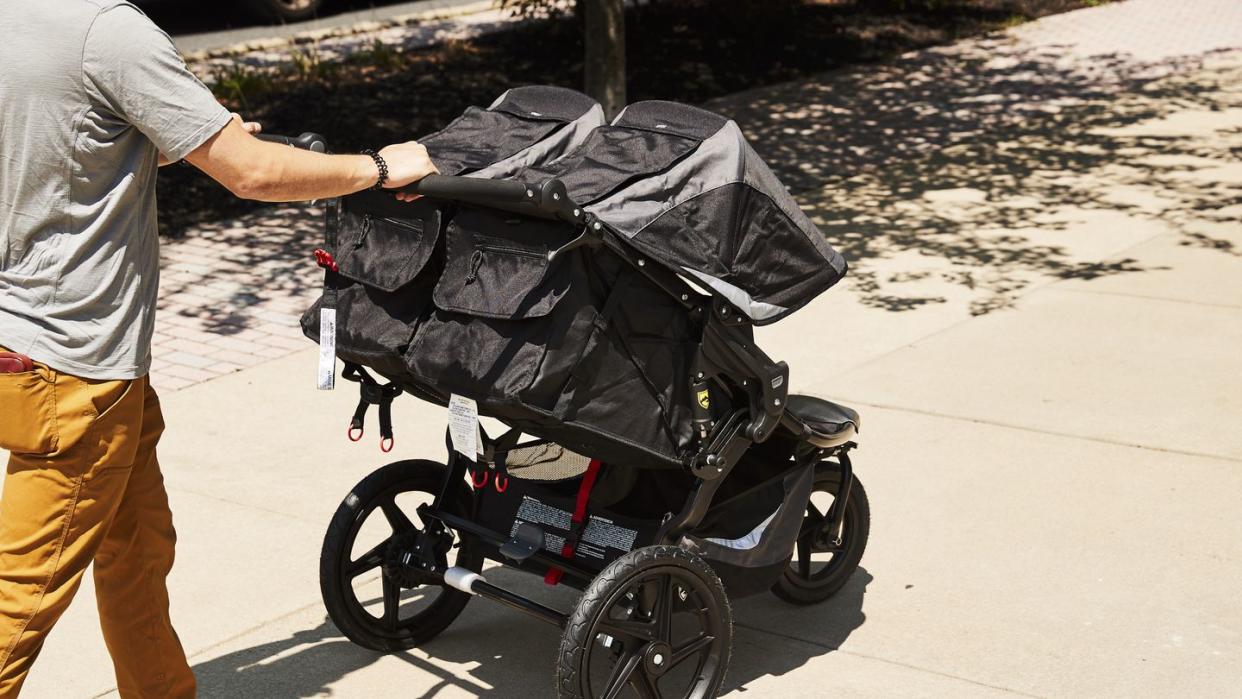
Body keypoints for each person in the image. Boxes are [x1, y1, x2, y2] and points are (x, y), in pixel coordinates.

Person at [0, 1, 438, 696]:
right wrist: (380, 167)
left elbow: (49, 134)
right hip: (76, 367)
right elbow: (252, 173)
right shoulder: (108, 30)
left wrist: (161, 131)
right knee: (18, 604)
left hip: (63, 355)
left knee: (140, 551)